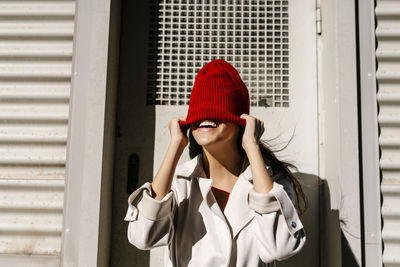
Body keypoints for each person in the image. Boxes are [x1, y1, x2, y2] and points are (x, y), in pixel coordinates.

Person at [124, 59, 307, 267]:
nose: (206, 117)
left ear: (242, 123)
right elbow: (143, 237)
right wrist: (175, 145)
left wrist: (252, 146)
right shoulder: (178, 183)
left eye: (217, 111)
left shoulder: (270, 182)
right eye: (199, 113)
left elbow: (280, 247)